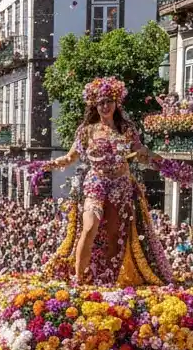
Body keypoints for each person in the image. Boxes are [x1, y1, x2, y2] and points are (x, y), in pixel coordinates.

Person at [43, 77, 173, 286]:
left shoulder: (127, 129)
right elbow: (70, 158)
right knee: (89, 226)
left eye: (109, 101)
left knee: (115, 235)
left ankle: (107, 279)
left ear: (116, 103)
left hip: (121, 185)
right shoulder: (86, 131)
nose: (105, 106)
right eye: (101, 102)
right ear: (95, 105)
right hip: (96, 183)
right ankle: (79, 278)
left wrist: (163, 162)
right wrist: (49, 165)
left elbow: (140, 153)